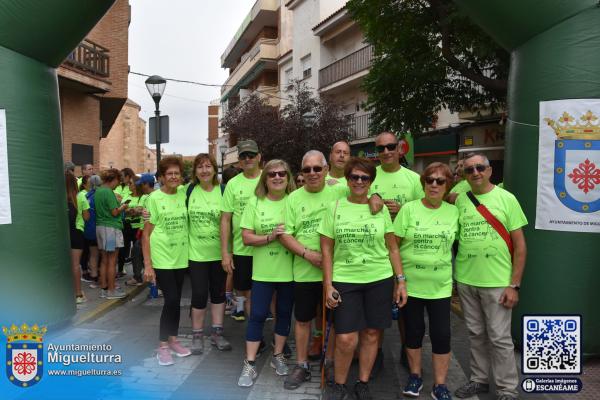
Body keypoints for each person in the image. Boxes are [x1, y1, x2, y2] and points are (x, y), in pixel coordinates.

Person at [319, 157, 407, 400]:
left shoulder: (379, 210)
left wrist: (400, 281)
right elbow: (326, 249)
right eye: (354, 177)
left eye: (364, 178)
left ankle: (363, 382)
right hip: (345, 279)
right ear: (347, 180)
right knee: (346, 337)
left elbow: (393, 248)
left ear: (371, 182)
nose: (359, 181)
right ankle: (338, 384)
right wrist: (328, 285)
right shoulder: (334, 207)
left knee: (371, 334)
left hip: (379, 278)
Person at [453, 153, 527, 400]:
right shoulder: (461, 200)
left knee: (499, 338)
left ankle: (507, 389)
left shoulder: (507, 199)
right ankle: (479, 380)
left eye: (480, 168)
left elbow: (520, 246)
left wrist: (514, 285)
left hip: (497, 282)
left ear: (489, 170)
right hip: (466, 279)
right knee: (475, 334)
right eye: (469, 169)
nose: (475, 173)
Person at [279, 150, 347, 390]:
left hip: (337, 271)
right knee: (303, 319)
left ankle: (330, 362)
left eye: (317, 168)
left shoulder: (340, 190)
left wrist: (377, 197)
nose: (312, 173)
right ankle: (302, 365)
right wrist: (309, 255)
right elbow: (284, 234)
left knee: (335, 321)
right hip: (305, 270)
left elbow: (364, 191)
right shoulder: (293, 198)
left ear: (326, 169)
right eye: (307, 169)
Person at [394, 162, 458, 400]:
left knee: (442, 335)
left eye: (440, 181)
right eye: (429, 180)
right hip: (410, 286)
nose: (433, 185)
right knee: (413, 332)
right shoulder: (409, 210)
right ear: (423, 184)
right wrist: (399, 280)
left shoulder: (454, 212)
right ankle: (415, 376)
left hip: (440, 287)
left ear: (447, 185)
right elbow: (394, 246)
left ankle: (440, 385)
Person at [237, 159, 296, 387]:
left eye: (282, 173)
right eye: (272, 174)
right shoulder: (255, 202)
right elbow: (246, 237)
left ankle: (277, 355)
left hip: (289, 272)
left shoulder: (294, 200)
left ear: (288, 177)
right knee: (258, 315)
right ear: (265, 179)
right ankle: (250, 363)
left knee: (283, 314)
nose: (278, 177)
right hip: (262, 272)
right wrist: (270, 237)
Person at [370, 131, 424, 375]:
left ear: (400, 148)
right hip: (376, 252)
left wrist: (403, 209)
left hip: (406, 252)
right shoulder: (369, 176)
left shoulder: (413, 178)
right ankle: (376, 352)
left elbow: (426, 211)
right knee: (379, 308)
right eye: (380, 148)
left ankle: (406, 349)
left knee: (406, 308)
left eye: (390, 146)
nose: (386, 152)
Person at [142, 156, 191, 366]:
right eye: (169, 173)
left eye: (176, 173)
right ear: (161, 177)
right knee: (170, 300)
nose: (173, 176)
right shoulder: (153, 198)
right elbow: (146, 234)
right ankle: (162, 346)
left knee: (176, 300)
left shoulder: (183, 194)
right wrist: (148, 265)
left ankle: (173, 339)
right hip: (162, 257)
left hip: (181, 256)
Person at [187, 153, 232, 355]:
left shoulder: (223, 191)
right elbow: (165, 197)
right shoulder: (187, 191)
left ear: (214, 169)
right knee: (198, 294)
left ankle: (217, 332)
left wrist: (228, 253)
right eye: (200, 167)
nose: (204, 170)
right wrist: (144, 211)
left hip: (219, 254)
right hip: (195, 254)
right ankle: (197, 335)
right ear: (195, 172)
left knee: (218, 294)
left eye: (208, 166)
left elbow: (229, 221)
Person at [221, 140, 262, 321]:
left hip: (268, 249)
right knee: (246, 294)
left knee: (272, 297)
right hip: (242, 250)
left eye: (251, 155)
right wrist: (225, 253)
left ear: (259, 157)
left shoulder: (269, 178)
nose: (248, 159)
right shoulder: (233, 184)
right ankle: (255, 337)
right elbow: (225, 219)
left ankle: (277, 340)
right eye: (243, 156)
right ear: (239, 160)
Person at [95, 168, 129, 299]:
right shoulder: (108, 192)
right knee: (112, 261)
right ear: (113, 179)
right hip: (111, 229)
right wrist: (123, 207)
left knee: (104, 260)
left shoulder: (98, 191)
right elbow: (114, 212)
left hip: (100, 227)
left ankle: (104, 287)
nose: (118, 185)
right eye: (118, 182)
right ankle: (111, 290)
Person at [126, 173, 155, 287]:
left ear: (146, 184)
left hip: (149, 232)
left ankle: (139, 278)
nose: (140, 187)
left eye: (141, 184)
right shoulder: (149, 196)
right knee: (138, 252)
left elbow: (150, 217)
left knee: (137, 252)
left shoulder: (152, 197)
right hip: (145, 231)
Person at [66, 172, 90, 304]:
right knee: (76, 265)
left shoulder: (59, 197)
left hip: (64, 234)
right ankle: (78, 294)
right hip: (77, 233)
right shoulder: (81, 196)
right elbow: (86, 217)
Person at [117, 167, 136, 277]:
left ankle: (138, 273)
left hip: (137, 224)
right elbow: (117, 198)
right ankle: (120, 269)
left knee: (137, 249)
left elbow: (122, 200)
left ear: (129, 176)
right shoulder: (120, 186)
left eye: (123, 176)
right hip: (124, 222)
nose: (121, 178)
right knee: (122, 247)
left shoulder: (134, 186)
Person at [84, 175, 102, 287]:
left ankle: (94, 275)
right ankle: (102, 277)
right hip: (101, 228)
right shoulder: (102, 195)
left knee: (93, 253)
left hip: (89, 229)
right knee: (105, 255)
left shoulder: (87, 196)